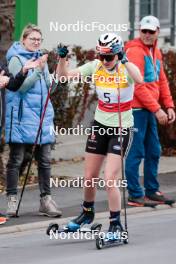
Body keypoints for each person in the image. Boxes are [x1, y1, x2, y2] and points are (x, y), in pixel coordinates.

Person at [56, 33, 143, 235]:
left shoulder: (125, 68)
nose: (104, 61)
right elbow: (63, 77)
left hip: (121, 128)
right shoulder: (95, 66)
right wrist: (61, 59)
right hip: (100, 126)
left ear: (118, 54)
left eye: (109, 57)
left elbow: (140, 79)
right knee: (89, 177)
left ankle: (115, 224)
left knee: (110, 179)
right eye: (101, 56)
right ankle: (87, 213)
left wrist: (124, 59)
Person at [5, 24, 61, 217]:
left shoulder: (40, 59)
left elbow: (50, 89)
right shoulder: (15, 59)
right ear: (23, 40)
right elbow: (20, 87)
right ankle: (12, 200)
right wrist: (38, 70)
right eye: (32, 39)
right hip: (21, 118)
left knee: (45, 161)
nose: (36, 42)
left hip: (42, 118)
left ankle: (46, 200)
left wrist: (52, 74)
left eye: (39, 39)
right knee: (16, 160)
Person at [125, 16, 175, 206]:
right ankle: (134, 194)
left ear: (157, 32)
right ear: (139, 31)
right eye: (143, 31)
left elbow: (161, 80)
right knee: (135, 153)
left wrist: (169, 105)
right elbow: (137, 86)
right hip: (136, 110)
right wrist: (157, 109)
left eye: (150, 31)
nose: (147, 34)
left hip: (149, 110)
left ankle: (152, 190)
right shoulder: (135, 51)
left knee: (154, 151)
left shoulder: (155, 51)